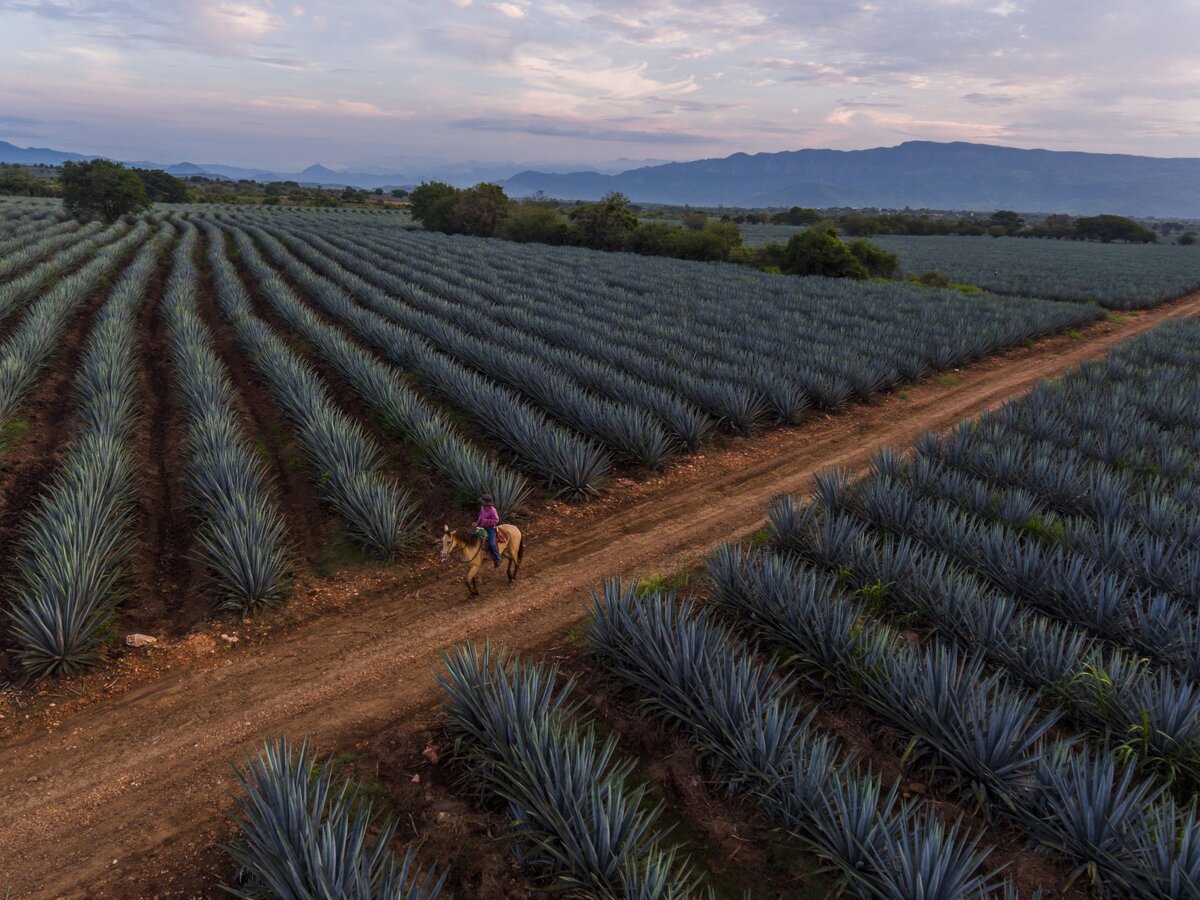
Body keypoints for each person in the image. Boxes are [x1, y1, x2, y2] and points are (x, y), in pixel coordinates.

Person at [475, 494, 501, 568]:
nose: (481, 502)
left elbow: (496, 520)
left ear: (487, 503)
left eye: (483, 501)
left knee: (491, 543)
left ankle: (497, 558)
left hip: (491, 528)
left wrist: (486, 521)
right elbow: (480, 517)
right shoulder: (482, 508)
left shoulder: (492, 510)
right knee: (474, 537)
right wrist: (477, 524)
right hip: (482, 527)